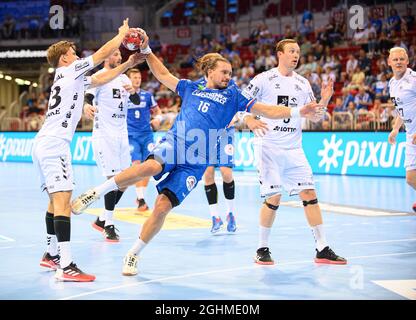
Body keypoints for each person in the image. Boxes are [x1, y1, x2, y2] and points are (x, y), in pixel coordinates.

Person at [71, 29, 323, 276]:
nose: (229, 76)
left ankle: (134, 253)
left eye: (231, 73)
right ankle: (96, 193)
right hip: (177, 142)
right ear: (210, 71)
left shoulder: (234, 95)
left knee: (161, 207)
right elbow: (162, 74)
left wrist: (297, 112)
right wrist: (146, 51)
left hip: (197, 161)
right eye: (224, 72)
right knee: (150, 167)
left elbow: (267, 109)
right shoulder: (191, 87)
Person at [32, 19, 142, 282]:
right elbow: (102, 56)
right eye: (72, 52)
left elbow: (101, 77)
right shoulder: (69, 71)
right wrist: (121, 36)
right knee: (63, 201)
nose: (77, 54)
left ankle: (50, 254)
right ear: (64, 59)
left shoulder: (72, 78)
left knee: (54, 201)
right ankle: (66, 265)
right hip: (54, 144)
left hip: (45, 142)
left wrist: (126, 65)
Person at [242, 39, 347, 265]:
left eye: (298, 52)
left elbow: (314, 116)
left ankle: (322, 247)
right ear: (279, 54)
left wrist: (325, 99)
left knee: (309, 194)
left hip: (294, 147)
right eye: (291, 51)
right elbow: (239, 104)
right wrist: (249, 119)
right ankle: (261, 248)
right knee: (274, 196)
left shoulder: (303, 83)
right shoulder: (263, 79)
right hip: (268, 146)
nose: (296, 55)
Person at [82, 49, 141, 242]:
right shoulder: (99, 76)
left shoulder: (124, 77)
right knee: (114, 178)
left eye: (120, 55)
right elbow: (88, 95)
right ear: (107, 57)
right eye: (115, 54)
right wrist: (87, 105)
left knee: (126, 180)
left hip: (121, 134)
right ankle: (108, 224)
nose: (119, 58)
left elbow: (136, 100)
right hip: (104, 133)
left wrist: (133, 92)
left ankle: (101, 219)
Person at [125, 68, 162, 212]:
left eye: (139, 77)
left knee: (148, 166)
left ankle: (141, 197)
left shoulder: (147, 95)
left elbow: (157, 111)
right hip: (131, 136)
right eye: (134, 77)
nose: (137, 80)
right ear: (128, 79)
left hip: (147, 135)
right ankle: (140, 198)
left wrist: (157, 119)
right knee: (136, 165)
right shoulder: (123, 96)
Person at [387, 47, 416, 211]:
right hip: (411, 134)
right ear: (389, 62)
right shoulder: (392, 83)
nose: (398, 62)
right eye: (395, 59)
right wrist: (396, 129)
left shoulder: (413, 80)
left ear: (407, 61)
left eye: (401, 59)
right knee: (411, 178)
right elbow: (400, 108)